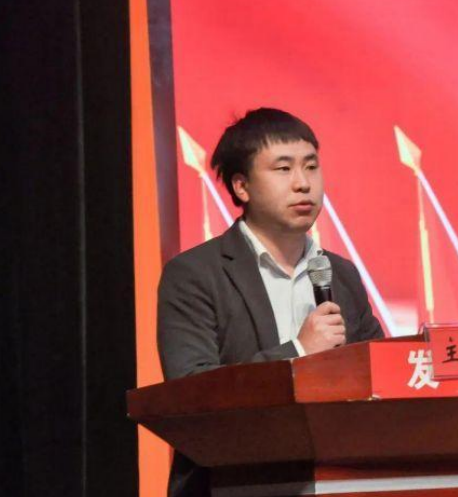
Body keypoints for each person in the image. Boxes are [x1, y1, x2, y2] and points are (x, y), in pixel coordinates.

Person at [157, 108, 384, 497]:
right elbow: (190, 391)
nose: (303, 184)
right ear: (242, 186)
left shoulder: (340, 273)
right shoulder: (194, 274)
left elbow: (379, 375)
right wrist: (299, 352)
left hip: (338, 478)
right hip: (232, 482)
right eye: (283, 169)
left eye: (311, 167)